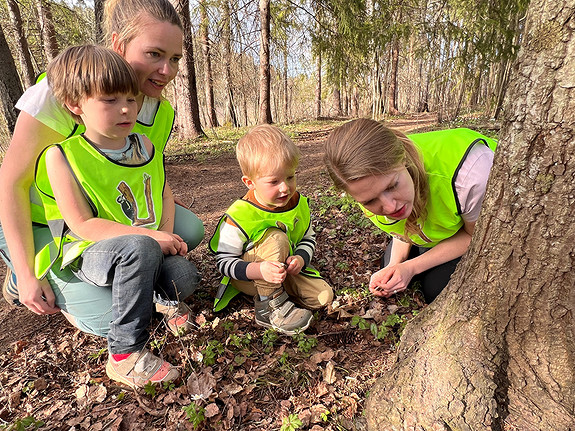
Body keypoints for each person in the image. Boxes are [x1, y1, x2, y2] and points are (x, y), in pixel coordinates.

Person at [0, 0, 204, 338]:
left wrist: (161, 232)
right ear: (119, 45)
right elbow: (11, 184)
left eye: (175, 58)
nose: (167, 70)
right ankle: (26, 269)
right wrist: (27, 271)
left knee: (188, 230)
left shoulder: (159, 109)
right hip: (44, 220)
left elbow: (142, 174)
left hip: (105, 215)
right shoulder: (60, 94)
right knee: (109, 316)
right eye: (154, 54)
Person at [33, 44, 199, 388]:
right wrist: (153, 239)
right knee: (138, 248)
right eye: (109, 101)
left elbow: (162, 192)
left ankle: (153, 300)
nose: (125, 109)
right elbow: (81, 224)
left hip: (143, 248)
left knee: (184, 275)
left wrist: (166, 236)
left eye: (131, 99)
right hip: (93, 251)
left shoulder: (145, 146)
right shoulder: (62, 156)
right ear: (75, 105)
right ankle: (124, 355)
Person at [324, 118, 496, 303]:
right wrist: (394, 266)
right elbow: (400, 230)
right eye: (370, 201)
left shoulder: (471, 175)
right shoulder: (361, 187)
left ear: (404, 159)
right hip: (437, 229)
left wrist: (412, 267)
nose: (390, 207)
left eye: (392, 186)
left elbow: (477, 236)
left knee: (435, 287)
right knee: (390, 269)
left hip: (470, 230)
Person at [209, 125, 333, 335]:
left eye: (290, 177)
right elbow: (223, 262)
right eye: (274, 181)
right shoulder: (240, 214)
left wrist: (301, 259)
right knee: (276, 238)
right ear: (250, 183)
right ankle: (270, 306)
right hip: (248, 276)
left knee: (323, 297)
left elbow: (308, 238)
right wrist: (260, 270)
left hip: (282, 270)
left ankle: (282, 292)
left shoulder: (298, 203)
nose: (284, 187)